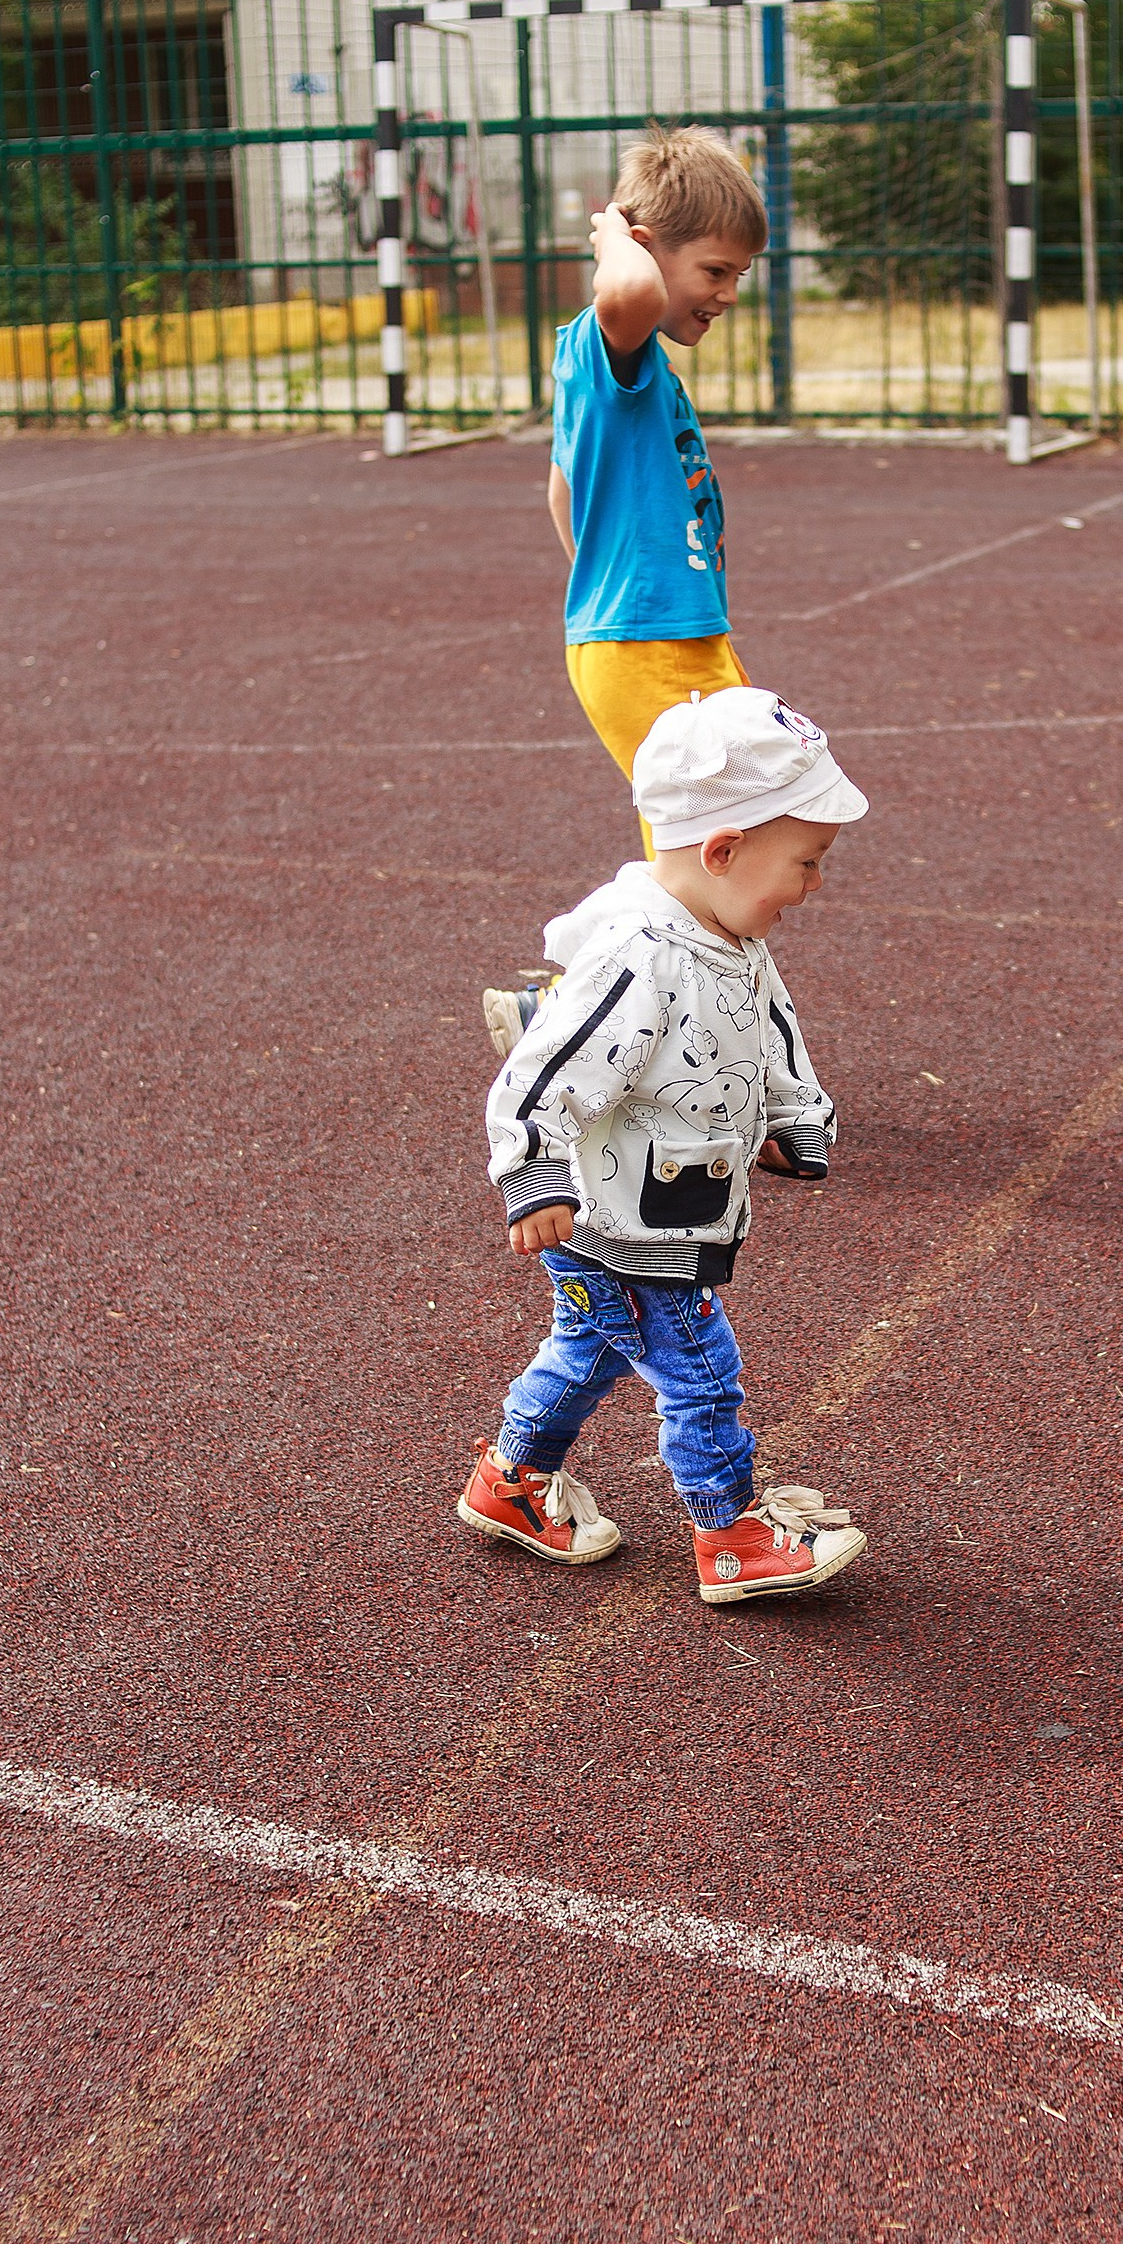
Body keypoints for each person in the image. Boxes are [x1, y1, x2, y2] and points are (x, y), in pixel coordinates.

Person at [460, 688, 869, 1608]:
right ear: (723, 852)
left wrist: (799, 1117)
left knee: (591, 1349)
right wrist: (533, 1168)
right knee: (700, 1370)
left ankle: (512, 1482)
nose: (814, 884)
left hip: (667, 1208)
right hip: (628, 1222)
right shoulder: (642, 957)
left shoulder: (731, 934)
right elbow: (547, 1066)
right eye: (805, 862)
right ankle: (729, 1535)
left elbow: (772, 1035)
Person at [484, 124, 766, 1062]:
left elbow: (560, 489)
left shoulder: (626, 372)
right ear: (646, 250)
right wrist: (615, 231)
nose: (729, 294)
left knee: (736, 835)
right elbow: (633, 288)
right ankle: (577, 1017)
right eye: (717, 271)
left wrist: (602, 576)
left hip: (672, 633)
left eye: (738, 275)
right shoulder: (616, 337)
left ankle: (579, 1007)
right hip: (645, 643)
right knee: (708, 855)